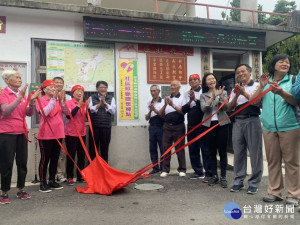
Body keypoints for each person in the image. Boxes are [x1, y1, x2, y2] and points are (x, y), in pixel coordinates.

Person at [250, 54, 300, 207]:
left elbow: (296, 101)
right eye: (281, 61)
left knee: (292, 162)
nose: (285, 63)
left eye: (287, 62)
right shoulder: (266, 81)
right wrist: (261, 85)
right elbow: (254, 102)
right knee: (273, 161)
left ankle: (294, 195)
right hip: (269, 127)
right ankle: (274, 192)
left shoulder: (293, 80)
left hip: (290, 126)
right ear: (274, 64)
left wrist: (281, 92)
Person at [0, 70, 40, 204]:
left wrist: (32, 102)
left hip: (22, 132)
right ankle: (4, 192)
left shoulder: (22, 95)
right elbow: (6, 110)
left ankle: (21, 189)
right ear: (7, 80)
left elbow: (28, 113)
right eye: (16, 77)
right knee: (6, 163)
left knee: (22, 162)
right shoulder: (3, 93)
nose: (19, 80)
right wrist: (19, 98)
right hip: (6, 133)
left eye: (20, 77)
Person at [227, 64, 263, 194]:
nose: (240, 74)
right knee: (238, 153)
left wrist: (244, 93)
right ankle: (238, 181)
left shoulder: (258, 86)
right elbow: (229, 108)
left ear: (250, 72)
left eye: (243, 71)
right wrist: (237, 95)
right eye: (238, 72)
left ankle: (254, 182)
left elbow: (258, 103)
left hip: (252, 120)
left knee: (255, 153)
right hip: (237, 122)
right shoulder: (234, 89)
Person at [200, 73, 230, 187]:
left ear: (216, 81)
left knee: (222, 151)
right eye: (209, 79)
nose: (211, 81)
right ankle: (214, 176)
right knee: (211, 152)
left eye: (213, 78)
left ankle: (223, 177)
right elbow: (204, 108)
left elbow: (226, 107)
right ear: (206, 83)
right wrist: (212, 97)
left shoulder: (223, 92)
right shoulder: (203, 95)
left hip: (222, 124)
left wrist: (221, 97)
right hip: (209, 125)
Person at [36, 80, 67, 193]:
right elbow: (45, 112)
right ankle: (42, 182)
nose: (54, 89)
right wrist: (53, 99)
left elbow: (67, 113)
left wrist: (62, 102)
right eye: (51, 87)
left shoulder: (58, 101)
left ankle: (52, 180)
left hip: (58, 133)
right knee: (45, 159)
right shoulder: (40, 100)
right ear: (44, 90)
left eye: (55, 88)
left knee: (55, 158)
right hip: (46, 135)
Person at [181, 74, 211, 181]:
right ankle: (198, 171)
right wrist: (190, 101)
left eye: (195, 79)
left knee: (205, 149)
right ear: (189, 83)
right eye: (191, 80)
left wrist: (195, 99)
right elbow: (183, 110)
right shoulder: (186, 94)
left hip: (203, 125)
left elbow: (207, 107)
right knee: (193, 149)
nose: (193, 81)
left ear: (199, 81)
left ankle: (208, 172)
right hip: (191, 126)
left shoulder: (205, 92)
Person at [159, 80, 186, 178]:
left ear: (179, 87)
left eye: (174, 85)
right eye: (171, 85)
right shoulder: (166, 98)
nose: (172, 87)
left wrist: (172, 105)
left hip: (178, 126)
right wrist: (166, 104)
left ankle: (182, 169)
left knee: (179, 148)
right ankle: (165, 170)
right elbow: (161, 114)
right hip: (167, 126)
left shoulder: (183, 97)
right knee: (166, 148)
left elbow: (183, 112)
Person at [64, 85, 87, 185]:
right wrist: (78, 105)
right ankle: (69, 176)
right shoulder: (68, 103)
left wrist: (87, 106)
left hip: (82, 133)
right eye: (77, 91)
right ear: (72, 93)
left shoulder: (85, 104)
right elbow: (69, 116)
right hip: (71, 133)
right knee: (71, 155)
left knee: (81, 156)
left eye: (81, 91)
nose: (79, 93)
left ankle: (80, 175)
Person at [88, 81, 116, 163]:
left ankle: (104, 171)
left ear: (107, 89)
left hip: (106, 127)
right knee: (93, 149)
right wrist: (99, 104)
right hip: (94, 127)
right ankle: (93, 170)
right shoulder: (91, 98)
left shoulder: (111, 98)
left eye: (105, 87)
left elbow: (113, 111)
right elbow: (91, 110)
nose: (103, 89)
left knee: (105, 149)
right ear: (97, 89)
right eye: (101, 87)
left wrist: (105, 103)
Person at [53, 77, 71, 183]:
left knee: (61, 154)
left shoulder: (68, 97)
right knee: (50, 154)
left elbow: (69, 113)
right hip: (50, 130)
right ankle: (51, 174)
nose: (59, 84)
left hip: (63, 129)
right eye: (56, 82)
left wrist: (63, 101)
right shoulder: (49, 96)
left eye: (60, 83)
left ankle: (59, 174)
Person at [145, 85, 164, 174]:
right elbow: (146, 118)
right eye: (151, 91)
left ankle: (163, 168)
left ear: (158, 91)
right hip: (152, 126)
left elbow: (163, 116)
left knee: (162, 147)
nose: (153, 93)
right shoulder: (149, 103)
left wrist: (155, 110)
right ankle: (155, 167)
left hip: (161, 126)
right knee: (152, 148)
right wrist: (150, 110)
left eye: (154, 91)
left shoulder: (163, 102)